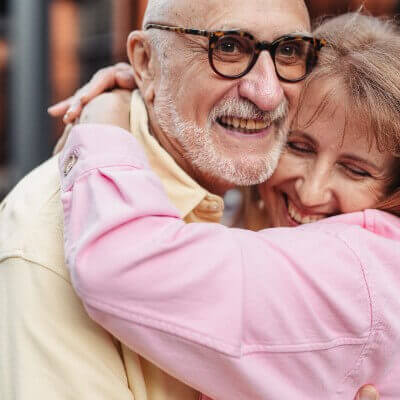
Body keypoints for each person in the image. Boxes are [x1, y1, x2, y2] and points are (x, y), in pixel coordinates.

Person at [2, 0, 375, 399]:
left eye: (287, 50)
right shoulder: (49, 244)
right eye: (228, 47)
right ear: (145, 63)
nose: (267, 94)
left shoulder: (273, 199)